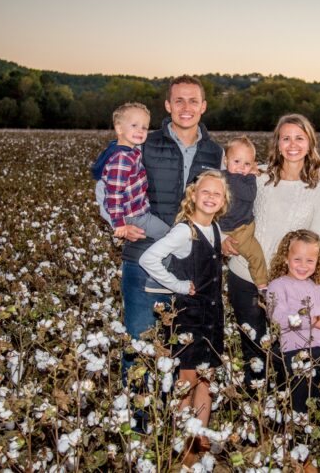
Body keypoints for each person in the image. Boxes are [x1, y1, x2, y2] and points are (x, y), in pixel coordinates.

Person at [119, 76, 223, 382]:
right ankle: (137, 413)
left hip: (193, 269)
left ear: (203, 106)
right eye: (179, 100)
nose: (186, 107)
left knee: (186, 355)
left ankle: (174, 412)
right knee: (139, 350)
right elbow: (109, 183)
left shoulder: (216, 152)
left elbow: (226, 199)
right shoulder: (144, 143)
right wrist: (118, 224)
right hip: (143, 262)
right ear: (167, 105)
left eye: (193, 101)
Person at [224, 114, 320, 389]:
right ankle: (255, 405)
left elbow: (318, 242)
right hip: (244, 275)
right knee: (253, 351)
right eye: (286, 138)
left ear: (310, 144)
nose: (292, 144)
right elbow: (219, 200)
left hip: (288, 286)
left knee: (287, 352)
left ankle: (286, 409)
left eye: (299, 138)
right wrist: (223, 237)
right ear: (277, 144)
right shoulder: (257, 175)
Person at [139, 170, 229, 465]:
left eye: (217, 193)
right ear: (193, 195)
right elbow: (148, 258)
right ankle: (184, 449)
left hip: (212, 318)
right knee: (186, 383)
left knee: (207, 381)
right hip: (188, 318)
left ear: (223, 201)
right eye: (206, 191)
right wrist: (177, 285)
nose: (211, 197)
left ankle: (200, 439)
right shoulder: (184, 231)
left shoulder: (215, 228)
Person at [266, 229, 320, 414]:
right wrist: (313, 320)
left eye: (310, 261)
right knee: (296, 409)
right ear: (286, 258)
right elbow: (278, 319)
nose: (303, 265)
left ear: (318, 262)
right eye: (297, 259)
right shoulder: (278, 286)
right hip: (295, 356)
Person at [90, 102, 170, 241]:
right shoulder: (122, 159)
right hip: (133, 216)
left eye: (144, 127)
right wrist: (119, 224)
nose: (140, 130)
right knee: (169, 236)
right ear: (119, 128)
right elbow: (114, 193)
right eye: (134, 125)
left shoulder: (125, 151)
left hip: (136, 211)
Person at [218, 136, 268, 290]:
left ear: (253, 164)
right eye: (237, 161)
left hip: (241, 228)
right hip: (235, 231)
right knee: (255, 255)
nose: (241, 167)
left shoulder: (222, 176)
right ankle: (262, 284)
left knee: (256, 255)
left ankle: (261, 285)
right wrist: (252, 175)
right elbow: (249, 194)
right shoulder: (229, 179)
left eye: (247, 164)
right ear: (226, 161)